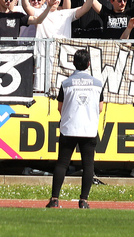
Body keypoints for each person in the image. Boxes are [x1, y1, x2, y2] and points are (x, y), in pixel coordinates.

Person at [47, 48, 104, 209]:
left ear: (74, 63)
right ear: (88, 64)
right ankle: (84, 200)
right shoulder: (98, 84)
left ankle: (54, 199)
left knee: (62, 164)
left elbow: (60, 107)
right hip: (89, 128)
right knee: (88, 165)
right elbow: (100, 108)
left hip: (69, 127)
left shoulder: (66, 83)